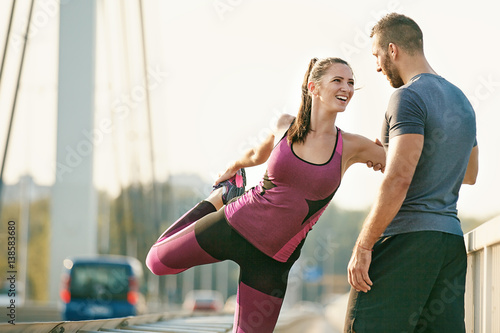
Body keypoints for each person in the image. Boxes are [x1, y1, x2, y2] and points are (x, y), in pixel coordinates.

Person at [146, 57, 386, 333]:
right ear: (314, 88)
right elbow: (256, 154)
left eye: (351, 82)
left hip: (273, 262)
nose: (347, 88)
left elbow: (400, 162)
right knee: (157, 262)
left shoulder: (353, 145)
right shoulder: (285, 125)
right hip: (234, 224)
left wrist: (388, 144)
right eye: (338, 80)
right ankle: (219, 198)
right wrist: (234, 167)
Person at [345, 13, 479, 333]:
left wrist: (364, 246)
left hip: (406, 240)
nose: (377, 66)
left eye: (377, 56)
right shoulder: (462, 102)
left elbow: (398, 178)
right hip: (448, 243)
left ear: (393, 50)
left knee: (360, 325)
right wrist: (398, 155)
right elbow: (470, 172)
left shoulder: (408, 96)